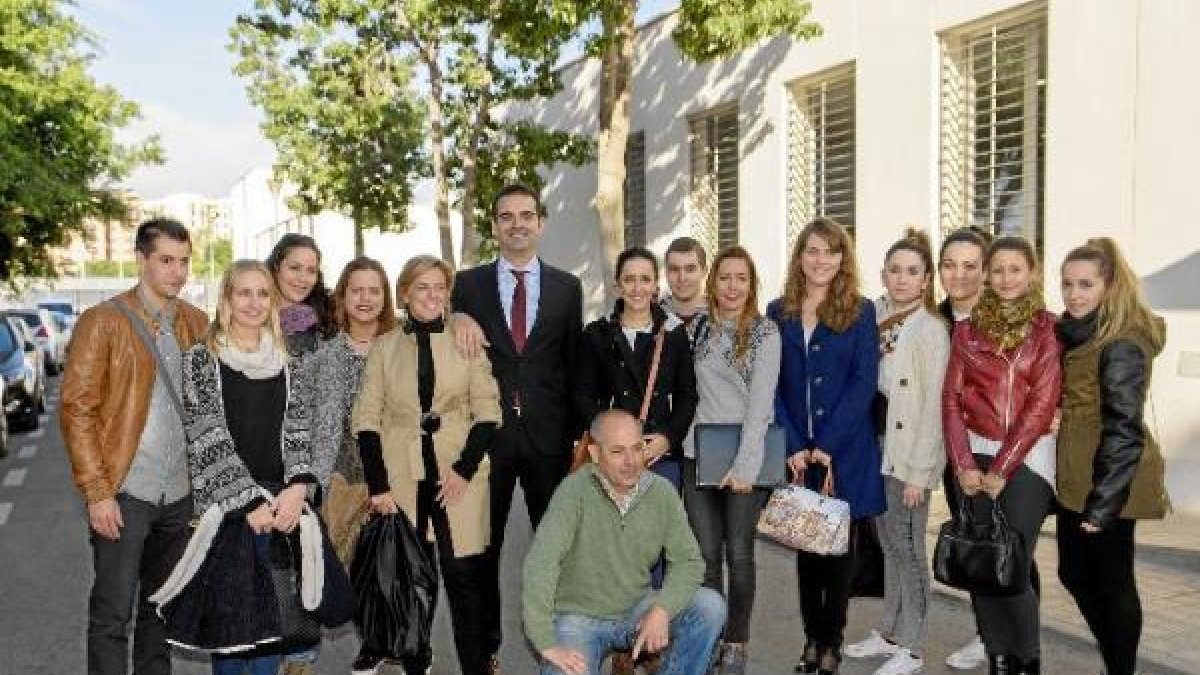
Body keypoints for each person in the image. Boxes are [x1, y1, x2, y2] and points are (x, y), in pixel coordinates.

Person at [152, 260, 321, 675]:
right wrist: (248, 503)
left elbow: (299, 431)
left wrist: (298, 487)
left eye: (263, 293)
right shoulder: (201, 359)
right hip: (229, 510)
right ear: (226, 298)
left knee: (273, 628)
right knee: (231, 636)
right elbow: (206, 436)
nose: (254, 302)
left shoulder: (287, 360)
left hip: (280, 506)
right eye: (243, 292)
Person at [60, 218, 210, 675]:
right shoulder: (102, 322)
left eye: (184, 262)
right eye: (166, 261)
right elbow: (77, 409)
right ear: (141, 260)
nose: (177, 272)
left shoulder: (196, 322)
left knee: (159, 609)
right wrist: (97, 490)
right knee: (112, 612)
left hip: (180, 496)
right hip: (125, 491)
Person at [451, 183, 584, 670]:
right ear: (494, 226)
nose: (517, 224)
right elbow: (446, 337)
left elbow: (573, 367)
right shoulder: (468, 286)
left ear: (541, 223)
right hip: (490, 441)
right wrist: (457, 315)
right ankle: (486, 649)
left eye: (526, 215)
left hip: (550, 441)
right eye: (507, 216)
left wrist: (575, 439)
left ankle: (560, 643)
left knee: (556, 552)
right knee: (486, 550)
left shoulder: (568, 287)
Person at [353, 255, 503, 675]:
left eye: (440, 288)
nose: (432, 296)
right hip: (403, 477)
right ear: (404, 294)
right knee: (414, 581)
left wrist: (463, 471)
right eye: (422, 287)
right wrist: (378, 487)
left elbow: (488, 412)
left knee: (463, 580)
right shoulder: (385, 348)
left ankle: (476, 666)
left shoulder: (465, 340)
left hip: (459, 473)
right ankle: (417, 665)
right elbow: (366, 419)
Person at [522, 409, 726, 675]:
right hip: (577, 617)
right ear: (595, 455)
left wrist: (662, 610)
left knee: (710, 608)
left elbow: (689, 561)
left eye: (637, 448)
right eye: (617, 452)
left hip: (636, 607)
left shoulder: (661, 493)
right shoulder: (573, 492)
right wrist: (545, 642)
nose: (631, 461)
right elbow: (541, 563)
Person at [768, 217, 885, 675]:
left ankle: (831, 642)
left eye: (831, 252)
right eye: (812, 251)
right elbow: (772, 383)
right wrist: (794, 443)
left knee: (838, 553)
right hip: (798, 453)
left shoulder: (861, 310)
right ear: (800, 257)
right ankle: (810, 639)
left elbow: (863, 382)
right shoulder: (779, 311)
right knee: (806, 551)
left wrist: (828, 442)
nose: (821, 260)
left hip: (844, 452)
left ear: (843, 258)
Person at [942, 236, 1061, 675]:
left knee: (1013, 563)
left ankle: (1027, 661)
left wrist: (1003, 469)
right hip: (975, 454)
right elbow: (951, 401)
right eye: (998, 270)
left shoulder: (1047, 329)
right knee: (980, 562)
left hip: (1028, 459)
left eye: (1016, 269)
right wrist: (964, 463)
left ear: (1032, 272)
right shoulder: (966, 331)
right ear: (987, 276)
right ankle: (998, 657)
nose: (1006, 278)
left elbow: (1041, 406)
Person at [1055, 238, 1169, 675]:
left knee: (1113, 583)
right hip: (1081, 473)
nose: (1074, 293)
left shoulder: (1121, 342)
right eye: (1067, 284)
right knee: (1074, 574)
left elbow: (1122, 426)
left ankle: (1120, 667)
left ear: (1110, 286)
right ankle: (1115, 657)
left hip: (1112, 479)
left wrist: (1104, 504)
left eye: (1086, 284)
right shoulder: (1083, 331)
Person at [843, 229, 949, 675]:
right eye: (895, 270)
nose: (902, 279)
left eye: (912, 272)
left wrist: (920, 472)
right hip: (876, 447)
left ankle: (914, 644)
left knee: (908, 547)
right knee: (887, 544)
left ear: (926, 280)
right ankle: (888, 630)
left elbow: (933, 407)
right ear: (883, 274)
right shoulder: (873, 315)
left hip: (908, 454)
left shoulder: (930, 330)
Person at [681, 246, 780, 674]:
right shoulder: (697, 328)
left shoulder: (764, 333)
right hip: (696, 453)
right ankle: (709, 638)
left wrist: (744, 467)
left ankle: (736, 641)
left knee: (739, 554)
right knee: (704, 555)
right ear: (713, 283)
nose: (732, 286)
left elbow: (761, 407)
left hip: (746, 459)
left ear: (751, 284)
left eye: (741, 278)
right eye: (724, 277)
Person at [309, 258, 397, 674]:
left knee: (401, 570)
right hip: (348, 480)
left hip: (402, 476)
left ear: (385, 298)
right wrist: (319, 488)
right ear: (342, 298)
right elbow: (324, 426)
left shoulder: (404, 346)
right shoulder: (328, 356)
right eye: (356, 290)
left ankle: (399, 646)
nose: (365, 299)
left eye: (374, 291)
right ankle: (367, 647)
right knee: (355, 573)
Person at [576, 245, 698, 490]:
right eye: (629, 279)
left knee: (656, 527)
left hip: (657, 456)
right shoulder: (596, 334)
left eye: (645, 279)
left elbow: (687, 397)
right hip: (610, 457)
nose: (637, 288)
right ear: (617, 286)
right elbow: (583, 396)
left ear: (656, 286)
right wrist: (610, 439)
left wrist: (668, 438)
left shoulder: (674, 334)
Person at [934, 226, 995, 671]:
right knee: (973, 539)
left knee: (1007, 541)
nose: (959, 275)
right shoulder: (933, 320)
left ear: (986, 271)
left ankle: (1007, 636)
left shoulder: (1005, 320)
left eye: (970, 265)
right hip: (952, 455)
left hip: (998, 454)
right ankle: (986, 631)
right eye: (950, 265)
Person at [267, 233, 338, 358]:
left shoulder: (329, 316)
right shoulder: (253, 316)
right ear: (276, 267)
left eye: (311, 271)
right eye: (294, 268)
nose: (303, 278)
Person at [660, 236, 710, 345]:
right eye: (674, 269)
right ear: (666, 273)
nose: (682, 278)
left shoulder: (722, 317)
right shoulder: (651, 317)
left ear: (704, 272)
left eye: (690, 269)